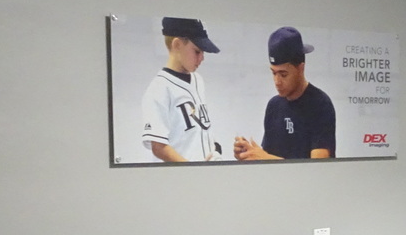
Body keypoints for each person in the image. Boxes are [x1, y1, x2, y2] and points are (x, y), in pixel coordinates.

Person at [233, 26, 335, 161]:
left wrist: (265, 158)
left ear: (301, 68)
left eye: (283, 74)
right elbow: (269, 157)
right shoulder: (274, 106)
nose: (277, 81)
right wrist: (249, 154)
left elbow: (318, 167)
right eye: (273, 73)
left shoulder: (320, 104)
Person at [141, 16, 222, 163]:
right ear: (177, 45)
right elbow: (158, 147)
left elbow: (200, 128)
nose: (202, 58)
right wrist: (191, 170)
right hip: (177, 180)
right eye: (197, 51)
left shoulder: (198, 80)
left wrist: (215, 149)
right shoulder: (159, 88)